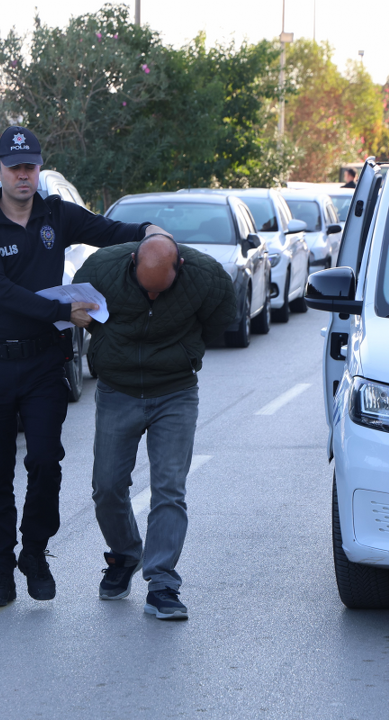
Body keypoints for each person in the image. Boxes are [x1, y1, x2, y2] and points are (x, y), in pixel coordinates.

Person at [0, 126, 163, 608]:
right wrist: (61, 312)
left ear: (38, 169)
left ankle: (34, 552)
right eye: (15, 168)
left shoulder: (57, 215)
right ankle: (0, 571)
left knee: (46, 463)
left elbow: (108, 231)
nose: (24, 175)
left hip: (41, 366)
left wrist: (150, 234)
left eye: (31, 166)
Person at [73, 232, 236, 620]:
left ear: (178, 268)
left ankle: (162, 582)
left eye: (160, 291)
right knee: (107, 487)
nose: (152, 298)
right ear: (133, 263)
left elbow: (222, 319)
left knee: (169, 489)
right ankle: (126, 554)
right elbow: (77, 306)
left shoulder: (207, 277)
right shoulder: (102, 268)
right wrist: (98, 334)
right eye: (145, 290)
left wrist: (184, 352)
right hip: (118, 391)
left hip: (175, 392)